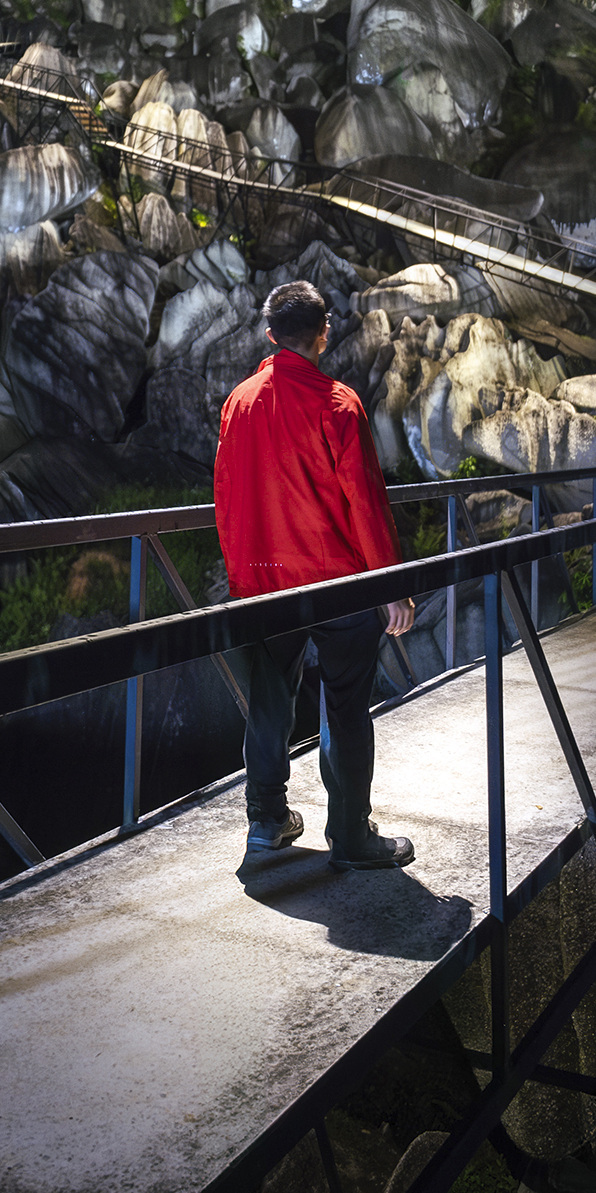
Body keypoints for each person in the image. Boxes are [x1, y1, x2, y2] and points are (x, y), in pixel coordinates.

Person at [214, 276, 417, 874]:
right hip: (340, 584)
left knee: (269, 702)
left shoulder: (240, 402)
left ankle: (266, 822)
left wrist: (242, 577)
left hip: (265, 582)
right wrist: (390, 586)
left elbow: (226, 497)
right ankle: (350, 833)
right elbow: (366, 503)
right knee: (346, 706)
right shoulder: (338, 403)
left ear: (270, 335)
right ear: (324, 334)